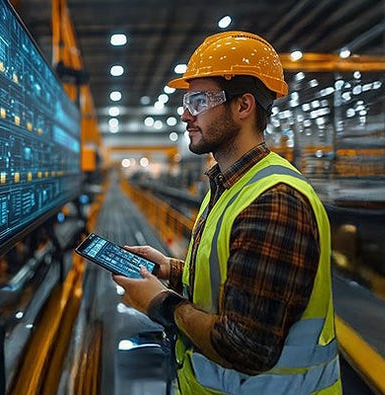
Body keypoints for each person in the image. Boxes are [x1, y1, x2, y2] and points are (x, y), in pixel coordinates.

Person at [113, 31, 341, 394]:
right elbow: (230, 281)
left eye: (199, 101)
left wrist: (159, 303)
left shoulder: (273, 200)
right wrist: (171, 271)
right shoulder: (228, 185)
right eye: (188, 101)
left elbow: (245, 346)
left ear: (243, 106)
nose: (187, 115)